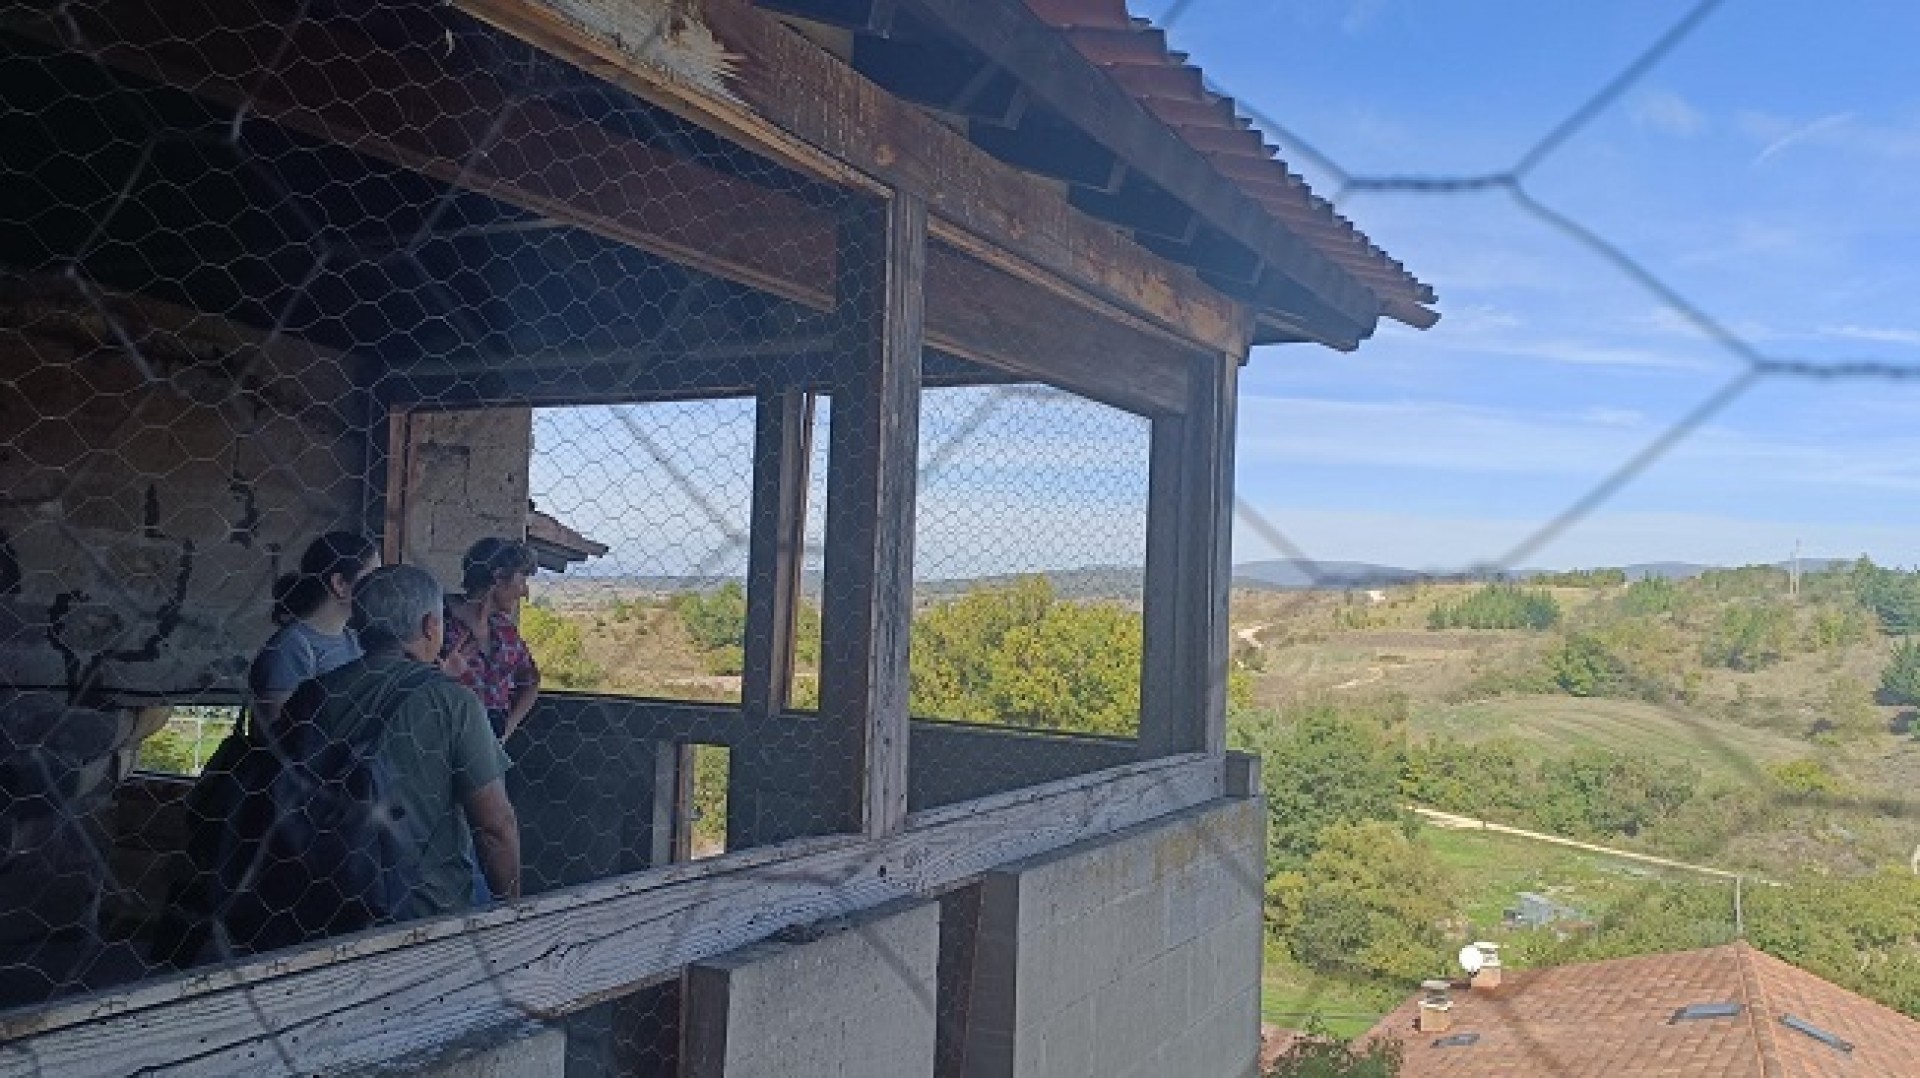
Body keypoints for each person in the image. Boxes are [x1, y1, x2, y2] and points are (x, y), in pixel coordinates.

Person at [280, 564, 522, 917]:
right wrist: (512, 911)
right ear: (430, 626)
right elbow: (494, 826)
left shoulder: (312, 694)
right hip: (425, 913)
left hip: (320, 908)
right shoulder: (452, 702)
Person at [249, 532, 380, 730]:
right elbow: (277, 735)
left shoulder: (354, 640)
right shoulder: (292, 646)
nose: (380, 587)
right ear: (340, 584)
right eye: (372, 577)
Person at [441, 537, 542, 741]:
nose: (525, 592)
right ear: (498, 577)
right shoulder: (440, 624)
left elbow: (530, 681)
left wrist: (506, 731)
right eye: (522, 580)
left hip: (488, 747)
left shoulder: (506, 631)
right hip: (446, 740)